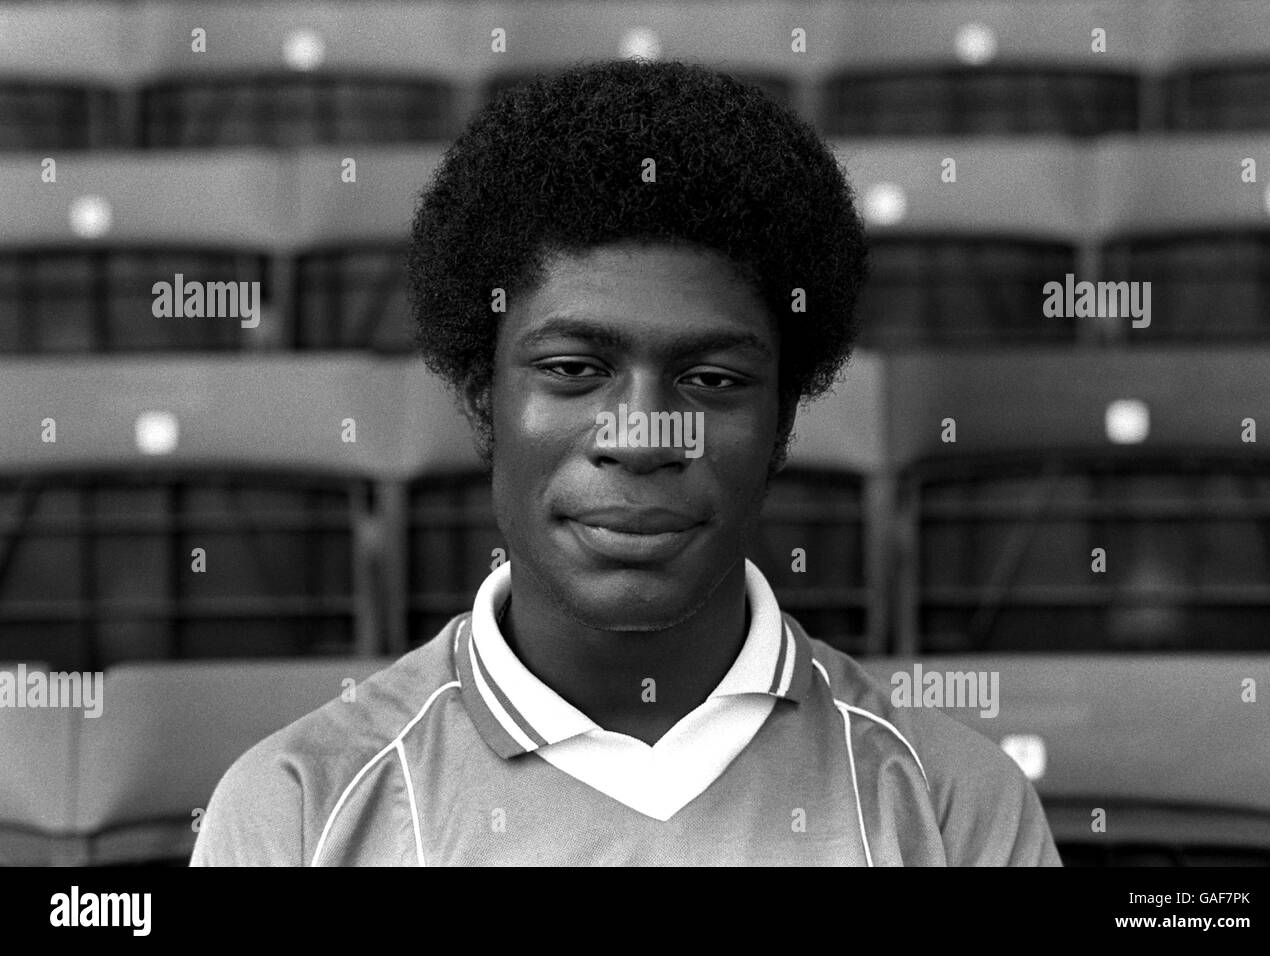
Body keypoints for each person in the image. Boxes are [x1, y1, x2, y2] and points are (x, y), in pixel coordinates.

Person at [191, 58, 1060, 865]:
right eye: (574, 370)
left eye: (712, 379)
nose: (643, 437)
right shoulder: (297, 812)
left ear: (783, 420)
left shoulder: (955, 811)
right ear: (481, 394)